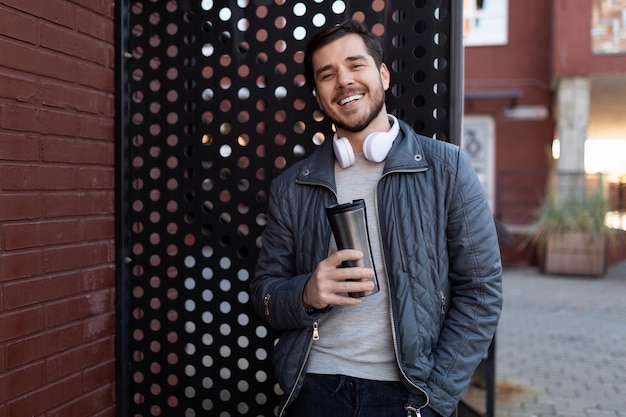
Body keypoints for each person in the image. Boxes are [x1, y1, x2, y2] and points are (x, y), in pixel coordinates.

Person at [250, 20, 503, 417]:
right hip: (315, 388)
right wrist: (306, 294)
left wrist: (434, 401)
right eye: (328, 74)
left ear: (382, 74)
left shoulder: (447, 168)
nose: (344, 81)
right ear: (319, 95)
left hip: (408, 394)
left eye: (356, 65)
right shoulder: (291, 187)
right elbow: (264, 296)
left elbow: (482, 291)